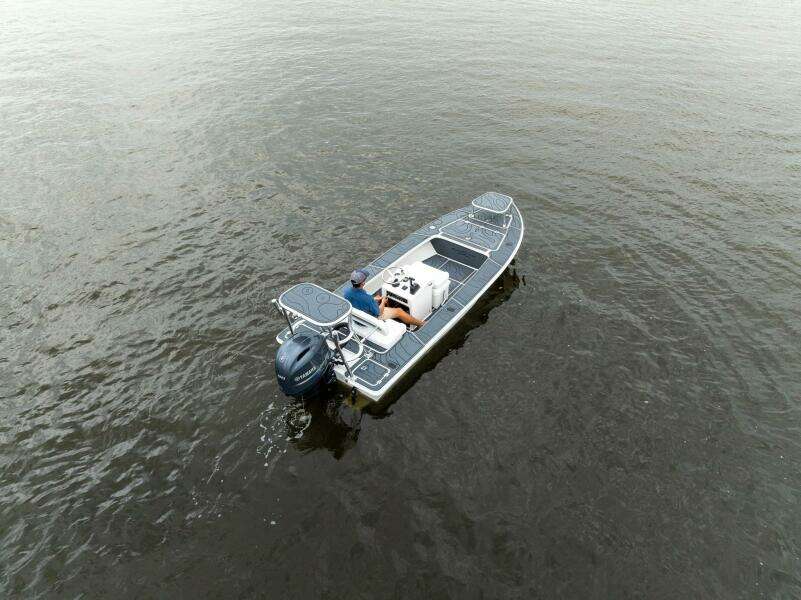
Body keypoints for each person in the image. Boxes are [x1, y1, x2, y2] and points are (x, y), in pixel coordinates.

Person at [344, 269, 424, 329]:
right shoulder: (368, 299)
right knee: (399, 311)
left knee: (378, 300)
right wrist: (383, 301)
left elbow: (359, 300)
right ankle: (420, 324)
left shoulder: (346, 292)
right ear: (363, 283)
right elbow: (379, 312)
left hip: (357, 319)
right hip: (369, 320)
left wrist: (373, 299)